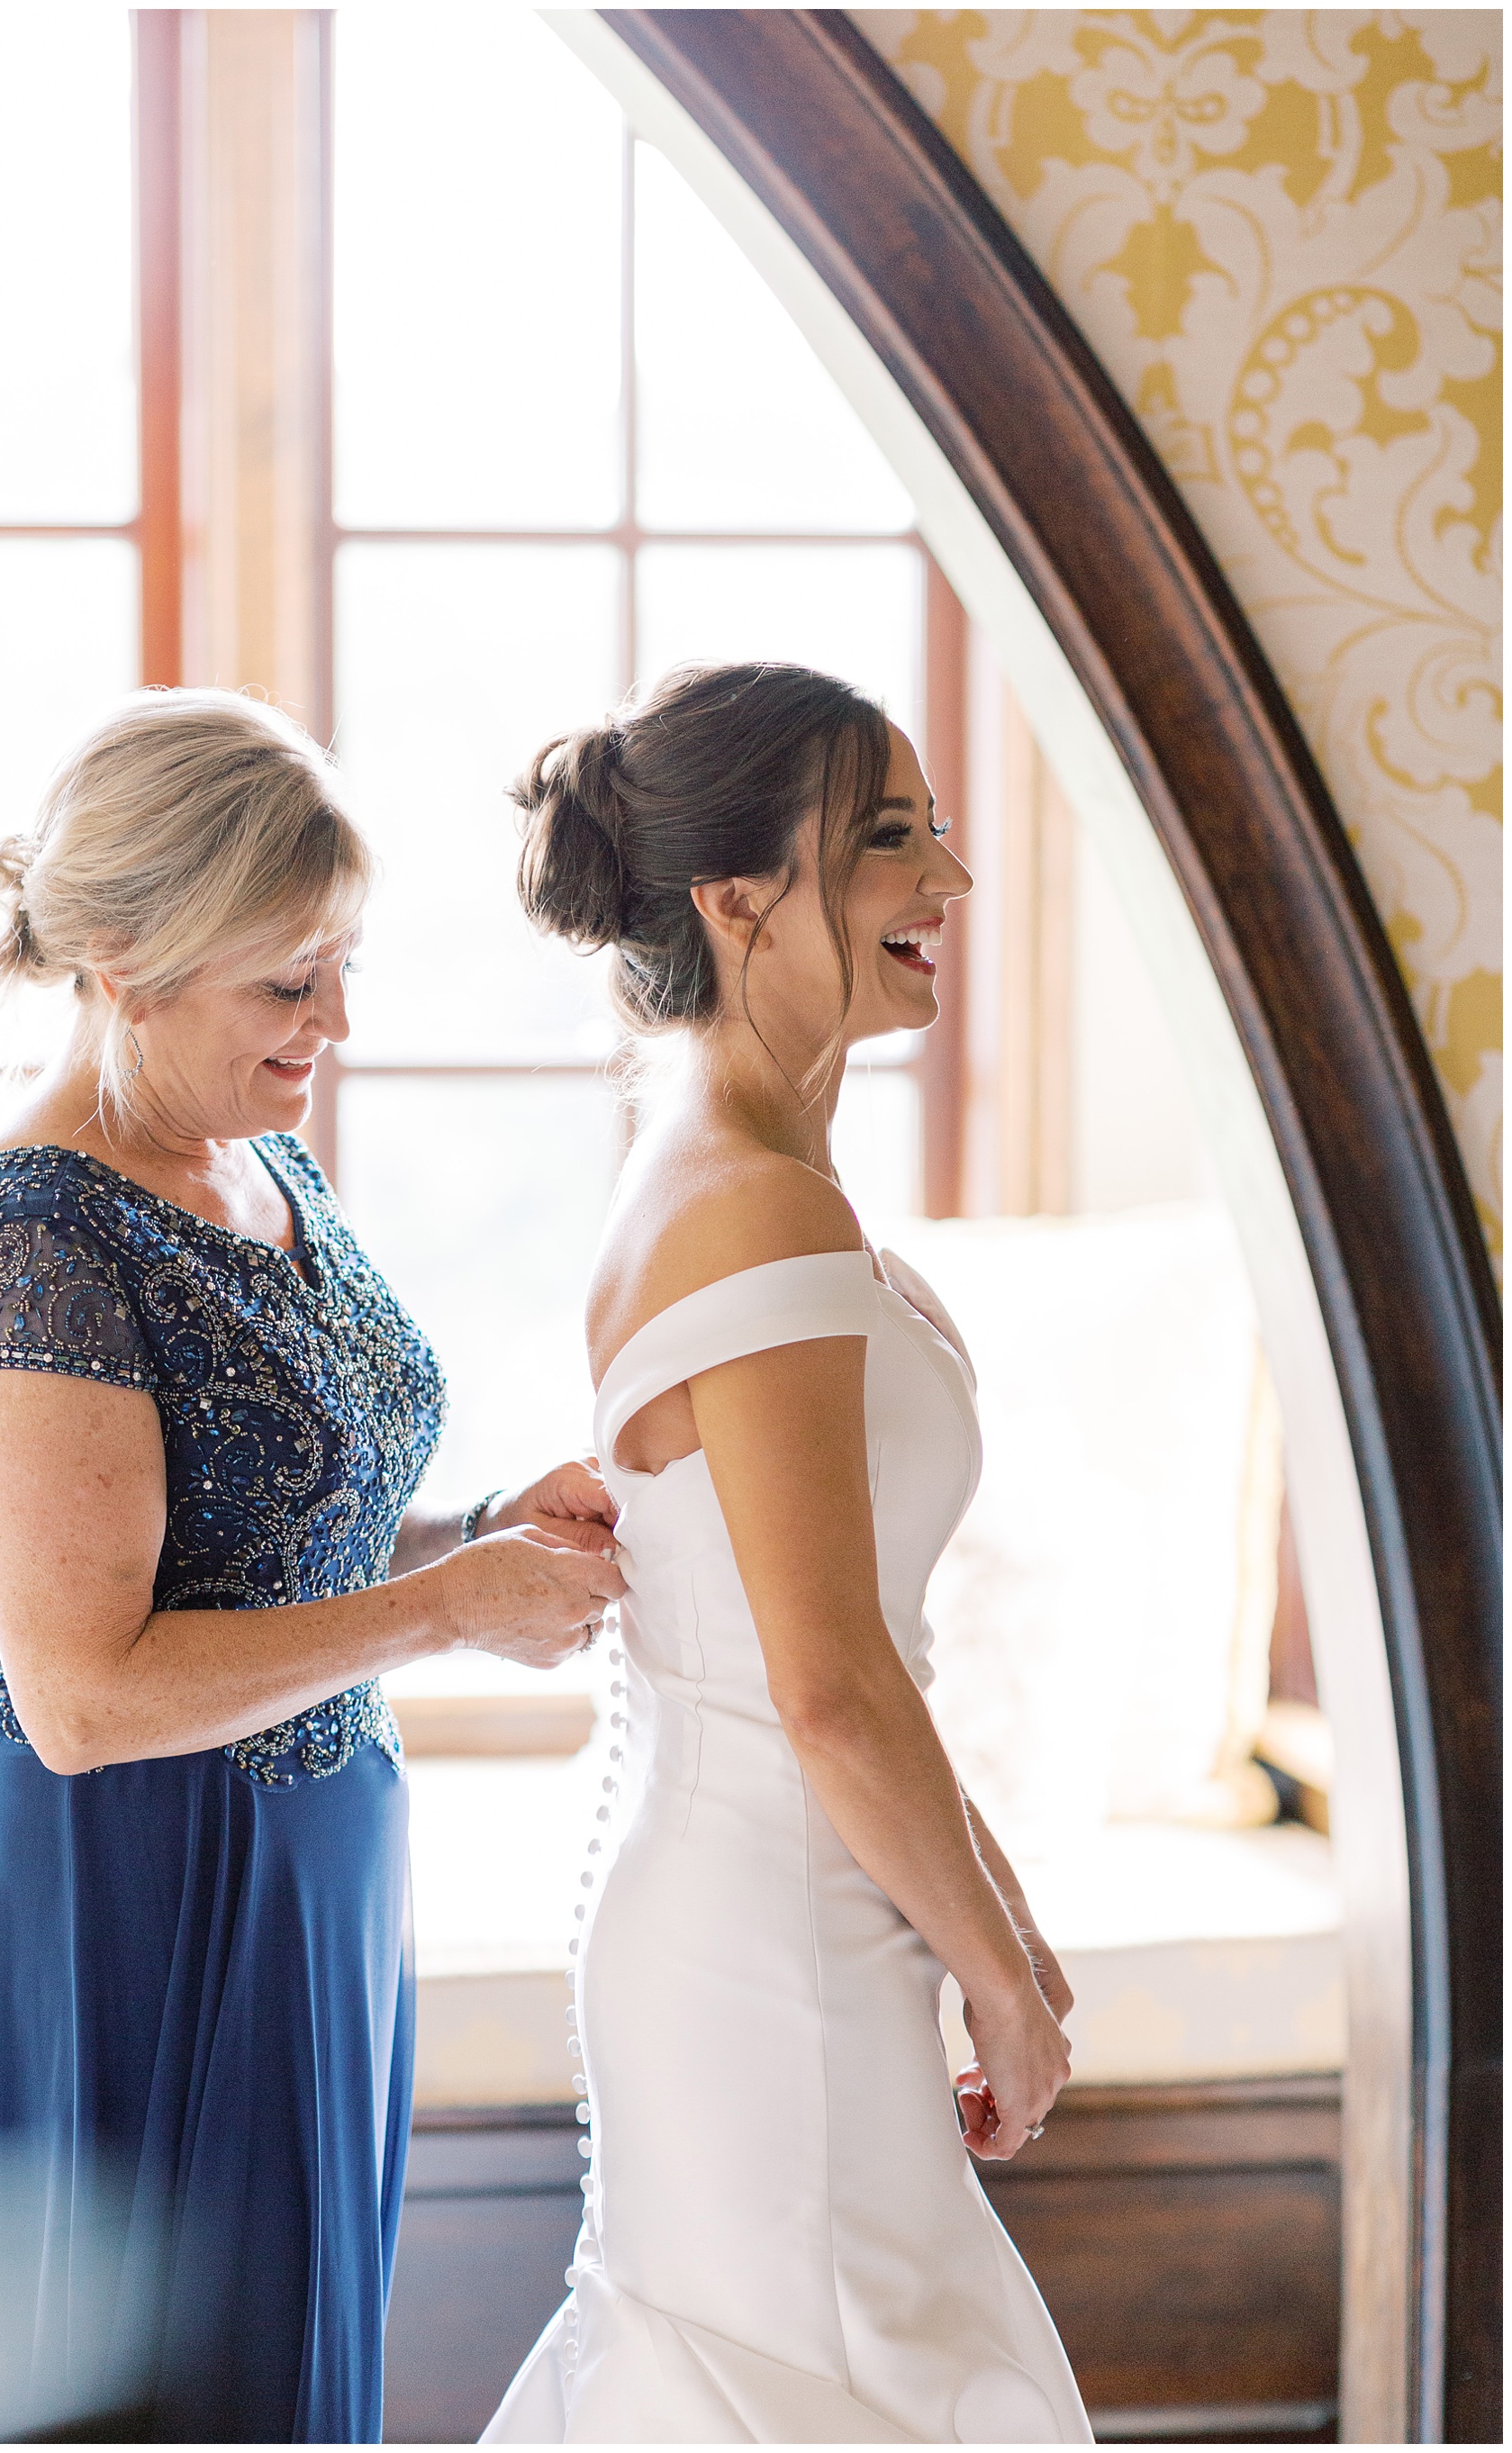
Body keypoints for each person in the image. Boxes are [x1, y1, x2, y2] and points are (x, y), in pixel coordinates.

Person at [0, 689, 625, 2445]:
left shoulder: (260, 1155)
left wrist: (480, 1529)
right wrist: (446, 1612)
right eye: (288, 983)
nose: (338, 1023)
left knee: (286, 2380)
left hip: (314, 1866)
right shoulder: (35, 1239)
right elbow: (85, 1696)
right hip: (133, 1891)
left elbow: (269, 1540)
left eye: (342, 966)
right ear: (126, 961)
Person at [484, 663, 1091, 2444]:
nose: (950, 884)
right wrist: (994, 1977)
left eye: (943, 830)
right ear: (735, 896)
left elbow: (853, 1669)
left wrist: (1008, 1939)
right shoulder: (752, 1201)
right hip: (768, 1938)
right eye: (891, 838)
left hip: (795, 1907)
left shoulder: (734, 1170)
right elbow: (824, 1688)